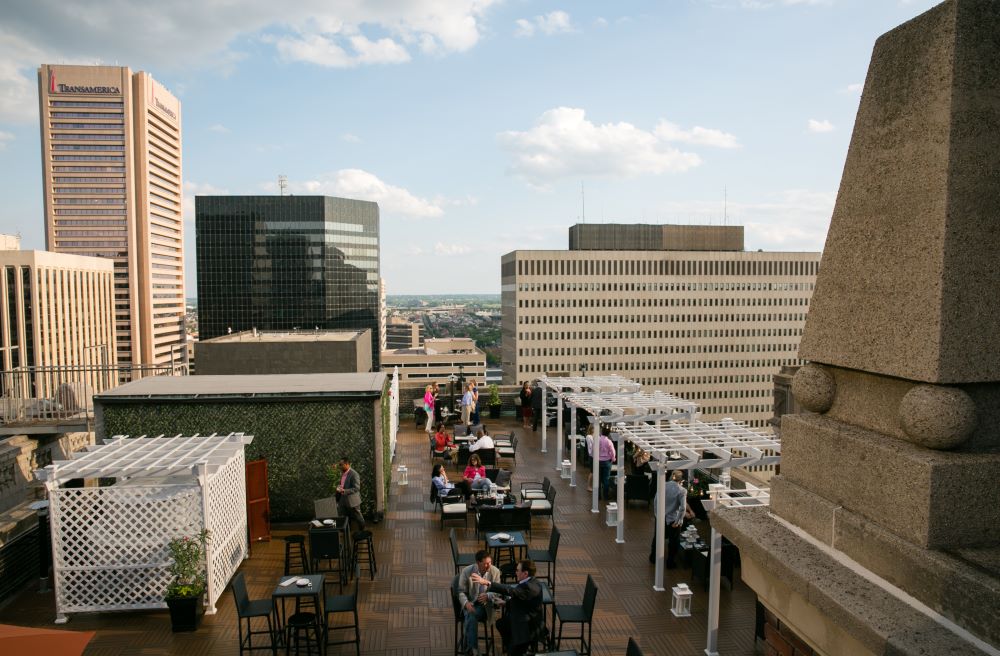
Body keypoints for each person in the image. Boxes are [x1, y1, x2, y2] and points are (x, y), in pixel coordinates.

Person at [471, 559, 544, 656]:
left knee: (513, 651)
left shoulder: (530, 587)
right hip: (521, 616)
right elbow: (521, 600)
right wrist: (505, 603)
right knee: (501, 624)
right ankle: (510, 645)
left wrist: (487, 583)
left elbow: (511, 591)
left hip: (527, 627)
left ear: (525, 573)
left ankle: (514, 647)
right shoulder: (530, 581)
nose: (516, 572)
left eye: (518, 570)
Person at [457, 550, 501, 656]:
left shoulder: (495, 571)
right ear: (478, 563)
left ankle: (471, 648)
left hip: (485, 606)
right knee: (470, 614)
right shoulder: (467, 571)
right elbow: (461, 591)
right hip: (471, 603)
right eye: (485, 563)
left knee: (470, 616)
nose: (488, 565)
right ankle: (473, 649)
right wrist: (466, 603)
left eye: (490, 562)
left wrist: (488, 596)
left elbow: (498, 591)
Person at [649, 470, 688, 567]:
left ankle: (653, 558)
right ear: (681, 480)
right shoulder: (682, 490)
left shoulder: (662, 485)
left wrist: (657, 515)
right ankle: (670, 562)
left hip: (661, 517)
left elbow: (655, 501)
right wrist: (679, 520)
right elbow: (683, 508)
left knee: (657, 537)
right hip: (673, 520)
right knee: (673, 542)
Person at [334, 457, 366, 534]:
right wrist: (339, 487)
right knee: (344, 517)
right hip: (343, 500)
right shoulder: (343, 473)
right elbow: (343, 484)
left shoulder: (354, 474)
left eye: (341, 465)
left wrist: (344, 490)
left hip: (352, 501)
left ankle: (362, 532)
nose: (340, 466)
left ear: (347, 464)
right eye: (340, 464)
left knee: (358, 517)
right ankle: (347, 533)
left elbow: (357, 488)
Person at [597, 428, 616, 500]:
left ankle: (598, 496)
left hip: (598, 461)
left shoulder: (597, 440)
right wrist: (613, 458)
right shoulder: (609, 441)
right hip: (607, 461)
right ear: (608, 434)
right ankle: (605, 496)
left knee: (598, 479)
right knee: (606, 479)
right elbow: (613, 451)